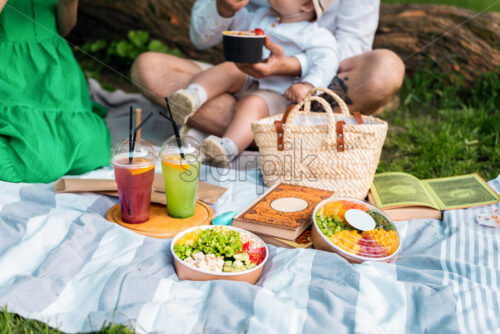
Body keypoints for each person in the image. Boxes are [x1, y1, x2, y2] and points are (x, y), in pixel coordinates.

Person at [131, 0, 405, 151]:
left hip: (296, 92)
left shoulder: (316, 33)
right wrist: (223, 9)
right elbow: (205, 37)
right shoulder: (265, 13)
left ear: (307, 5)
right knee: (149, 68)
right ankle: (264, 136)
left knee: (385, 70)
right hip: (245, 78)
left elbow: (342, 51)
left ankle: (235, 139)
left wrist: (292, 67)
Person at [168, 0, 337, 167]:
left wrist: (307, 85)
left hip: (277, 92)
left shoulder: (316, 35)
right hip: (250, 77)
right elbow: (239, 26)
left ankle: (227, 147)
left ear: (307, 5)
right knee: (229, 68)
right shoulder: (262, 15)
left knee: (252, 104)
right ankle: (191, 96)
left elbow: (327, 62)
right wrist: (230, 10)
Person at [0, 0, 110, 183]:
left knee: (93, 150)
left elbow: (64, 27)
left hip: (55, 64)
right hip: (9, 68)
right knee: (35, 161)